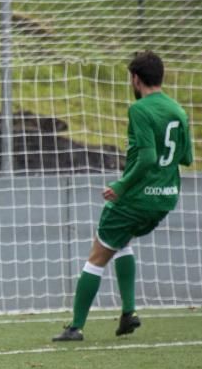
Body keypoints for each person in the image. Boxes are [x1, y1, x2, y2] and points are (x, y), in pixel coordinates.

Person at [53, 50, 193, 342]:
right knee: (122, 242)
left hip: (136, 198)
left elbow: (147, 157)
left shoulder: (140, 109)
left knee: (97, 255)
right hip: (165, 198)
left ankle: (75, 327)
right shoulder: (178, 111)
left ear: (135, 79)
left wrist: (121, 185)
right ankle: (128, 313)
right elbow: (187, 158)